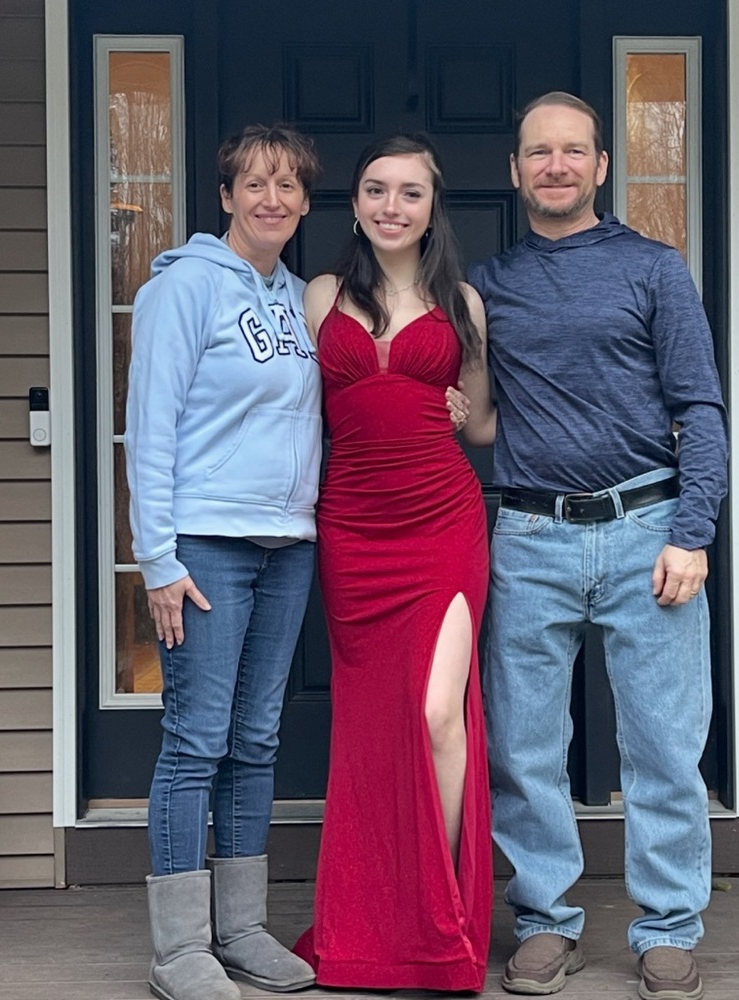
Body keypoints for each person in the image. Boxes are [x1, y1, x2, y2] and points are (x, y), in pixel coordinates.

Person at [462, 92, 728, 1000]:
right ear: (515, 170)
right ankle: (545, 919)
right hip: (530, 536)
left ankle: (668, 926)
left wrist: (692, 534)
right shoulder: (488, 286)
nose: (557, 166)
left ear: (601, 166)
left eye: (574, 151)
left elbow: (701, 408)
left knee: (663, 745)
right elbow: (479, 412)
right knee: (524, 746)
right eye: (539, 152)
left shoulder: (655, 269)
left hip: (647, 530)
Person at [125, 124, 324, 1000]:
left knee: (255, 739)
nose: (271, 199)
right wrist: (156, 559)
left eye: (287, 186)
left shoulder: (298, 300)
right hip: (205, 545)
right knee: (196, 739)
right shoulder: (185, 288)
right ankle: (180, 947)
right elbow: (150, 427)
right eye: (254, 183)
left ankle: (240, 928)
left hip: (287, 547)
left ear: (305, 202)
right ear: (226, 196)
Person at [292, 134, 495, 991]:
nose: (391, 206)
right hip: (353, 530)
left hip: (442, 524)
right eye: (376, 190)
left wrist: (452, 406)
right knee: (372, 730)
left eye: (410, 192)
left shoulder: (463, 304)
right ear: (355, 203)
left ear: (432, 206)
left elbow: (480, 426)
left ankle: (431, 914)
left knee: (439, 713)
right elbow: (287, 410)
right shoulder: (321, 295)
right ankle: (376, 921)